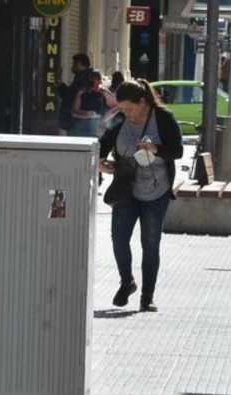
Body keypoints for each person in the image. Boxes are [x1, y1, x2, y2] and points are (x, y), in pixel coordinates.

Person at [98, 79, 184, 313]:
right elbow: (101, 145)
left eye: (129, 108)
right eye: (122, 109)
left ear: (143, 102)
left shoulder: (163, 118)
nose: (126, 113)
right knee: (118, 238)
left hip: (157, 191)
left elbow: (177, 150)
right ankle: (127, 282)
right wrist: (100, 164)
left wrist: (156, 149)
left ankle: (147, 297)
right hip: (126, 189)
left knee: (150, 242)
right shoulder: (120, 121)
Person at [71, 70, 118, 137]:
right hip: (81, 126)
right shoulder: (82, 92)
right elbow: (74, 111)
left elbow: (117, 106)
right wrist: (87, 114)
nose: (100, 82)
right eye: (98, 79)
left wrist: (106, 117)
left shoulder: (102, 92)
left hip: (97, 126)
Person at [58, 53, 92, 134]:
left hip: (77, 122)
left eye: (74, 63)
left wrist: (61, 87)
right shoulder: (83, 78)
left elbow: (70, 98)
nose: (72, 66)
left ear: (79, 64)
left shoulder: (83, 79)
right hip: (78, 121)